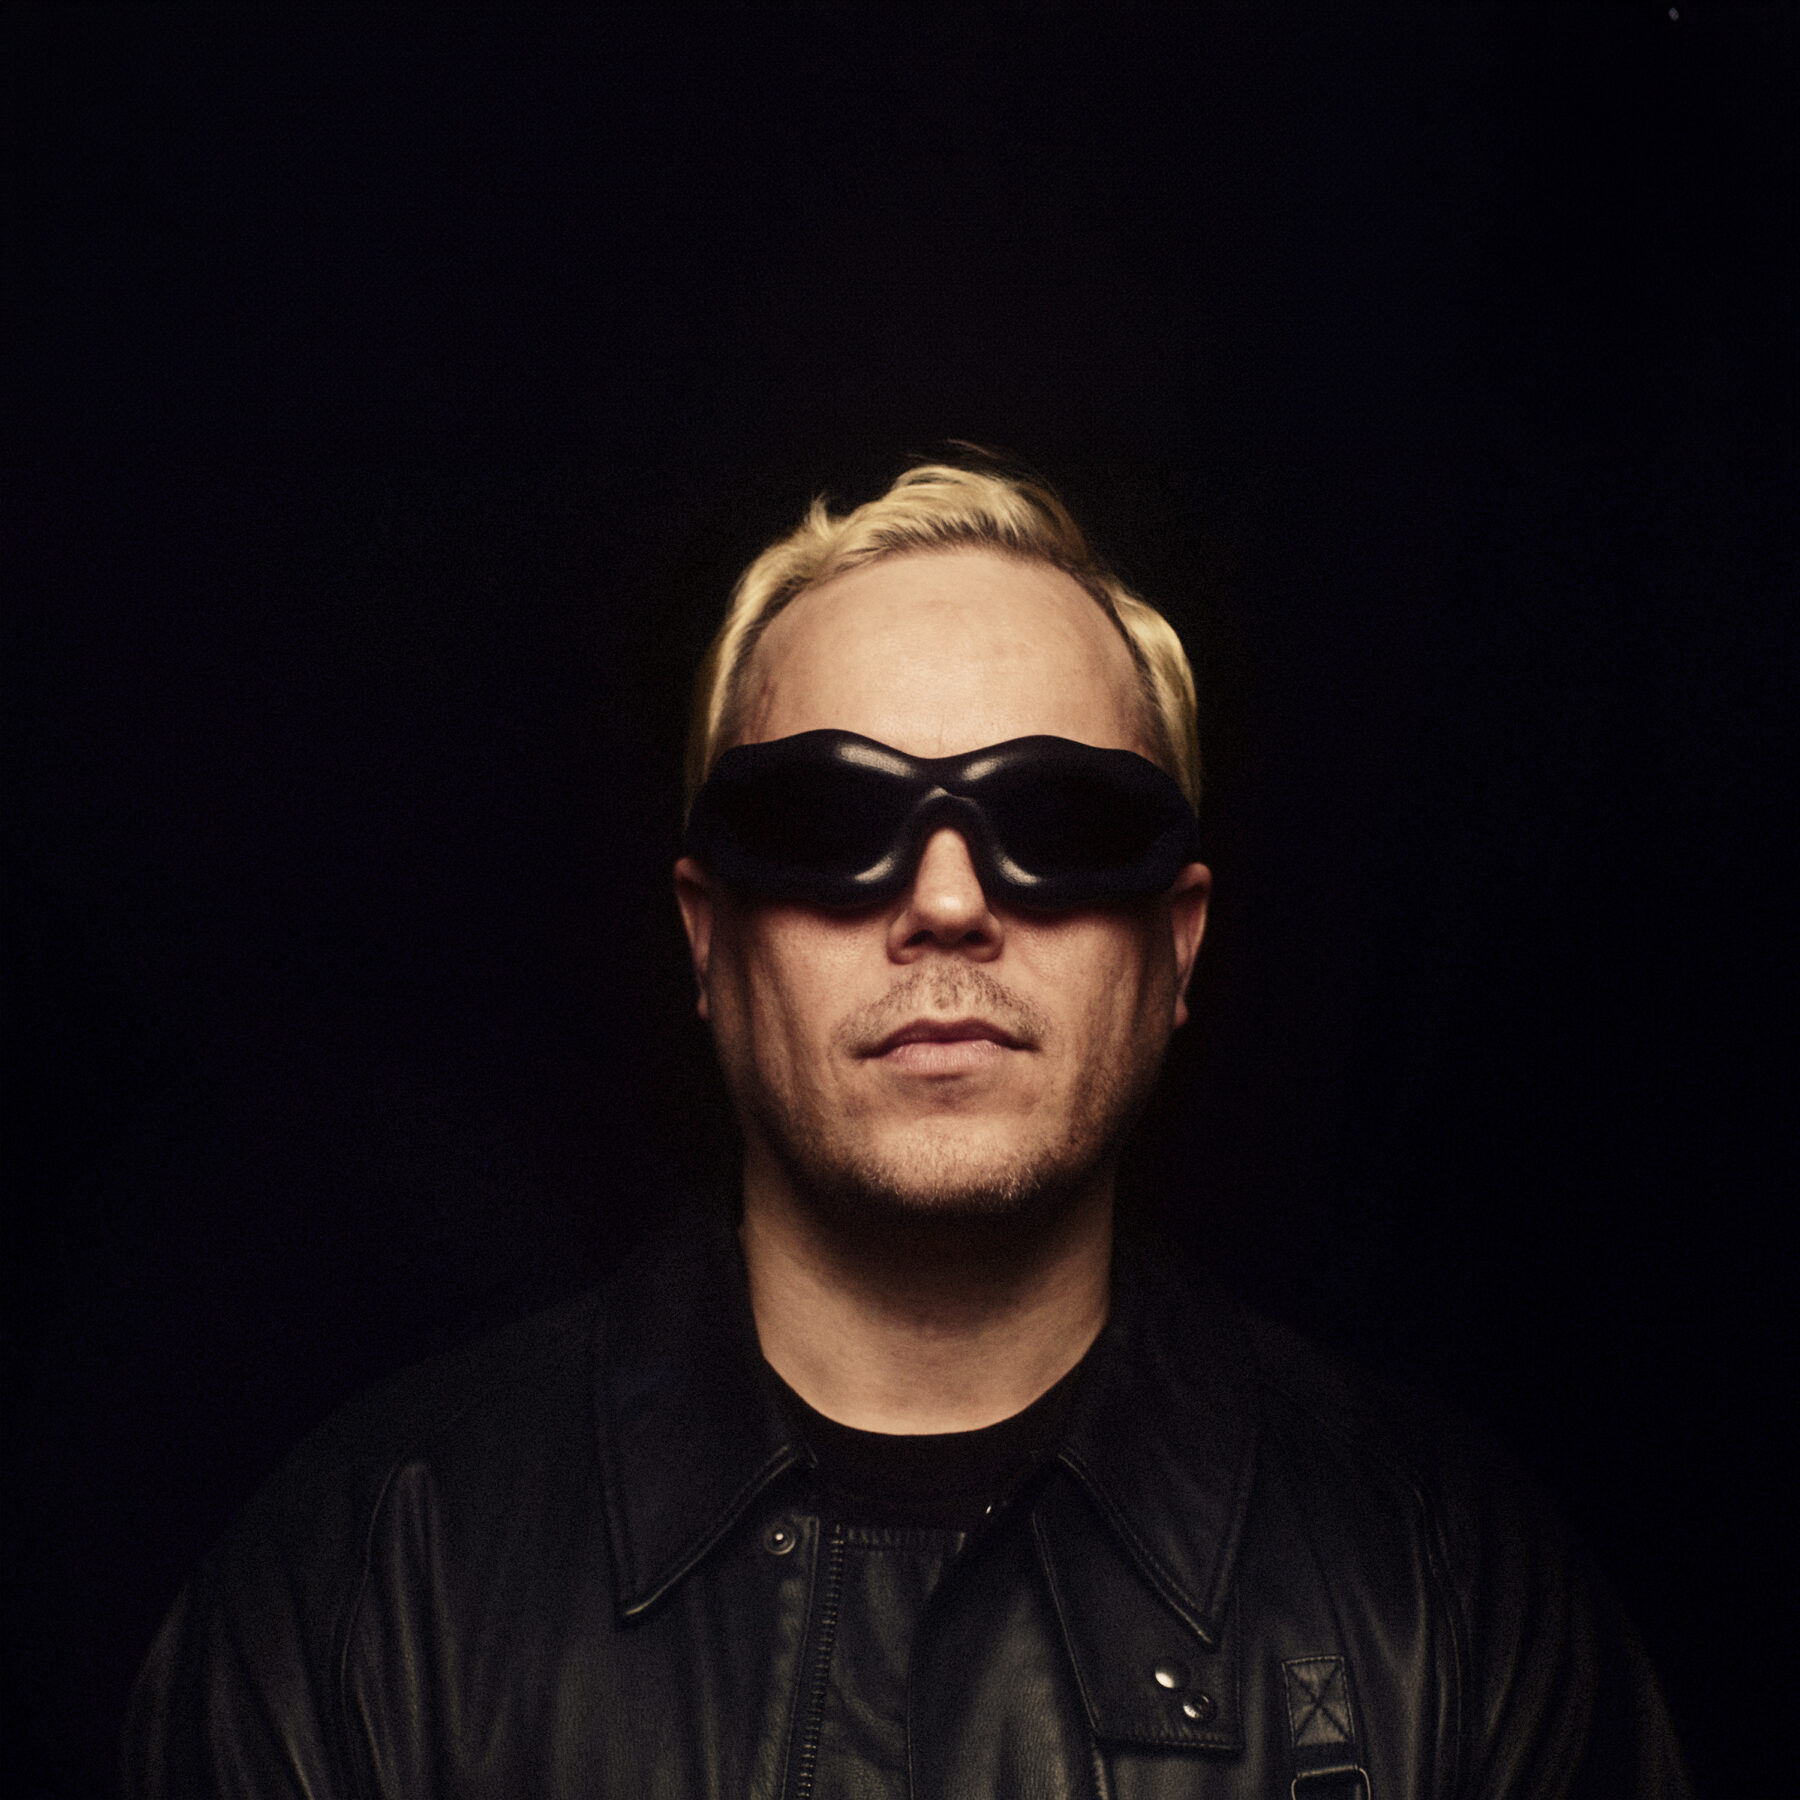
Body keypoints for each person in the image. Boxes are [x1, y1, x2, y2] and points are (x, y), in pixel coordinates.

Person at [126, 461, 1690, 1797]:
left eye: (1062, 819)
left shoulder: (1456, 1604)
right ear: (706, 940)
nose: (947, 900)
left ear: (1179, 946)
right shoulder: (364, 1595)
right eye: (827, 818)